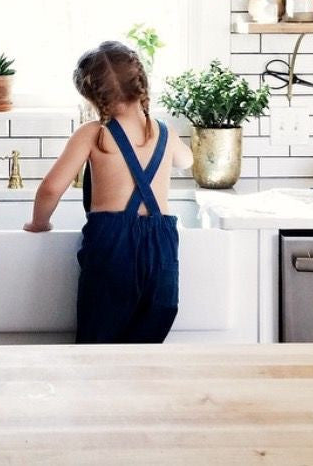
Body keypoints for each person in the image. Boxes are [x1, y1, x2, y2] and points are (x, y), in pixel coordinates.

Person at [23, 40, 193, 344]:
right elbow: (187, 161)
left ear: (92, 97)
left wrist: (39, 223)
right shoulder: (164, 132)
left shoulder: (94, 133)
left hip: (113, 245)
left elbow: (50, 189)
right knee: (148, 340)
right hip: (161, 248)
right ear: (140, 84)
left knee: (97, 341)